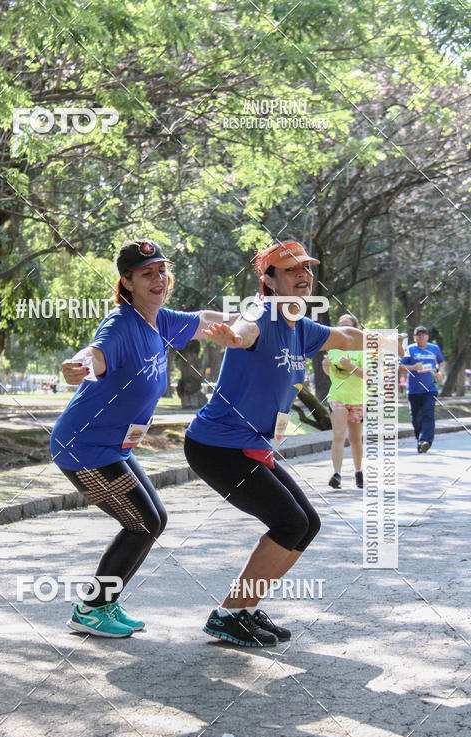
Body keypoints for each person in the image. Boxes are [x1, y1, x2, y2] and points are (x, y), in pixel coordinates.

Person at [184, 239, 372, 649]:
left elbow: (345, 336)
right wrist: (233, 338)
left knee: (307, 524)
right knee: (289, 523)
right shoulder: (261, 312)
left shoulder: (299, 326)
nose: (303, 275)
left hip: (250, 446)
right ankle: (228, 615)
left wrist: (387, 342)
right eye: (290, 270)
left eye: (306, 268)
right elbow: (245, 329)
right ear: (269, 280)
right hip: (217, 446)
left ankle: (244, 609)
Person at [50, 239, 238, 638]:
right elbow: (95, 353)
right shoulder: (122, 323)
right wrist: (77, 365)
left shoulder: (161, 321)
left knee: (155, 520)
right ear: (127, 281)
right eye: (147, 273)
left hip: (113, 446)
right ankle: (90, 609)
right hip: (83, 446)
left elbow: (205, 319)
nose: (158, 279)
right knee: (143, 522)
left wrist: (253, 319)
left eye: (162, 271)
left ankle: (105, 602)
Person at [322, 313, 365, 489]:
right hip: (337, 398)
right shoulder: (332, 349)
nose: (344, 328)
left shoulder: (362, 349)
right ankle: (337, 474)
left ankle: (358, 471)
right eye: (341, 325)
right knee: (338, 435)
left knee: (355, 439)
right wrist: (325, 367)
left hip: (358, 399)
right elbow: (330, 373)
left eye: (348, 325)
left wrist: (350, 366)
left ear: (354, 328)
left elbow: (367, 374)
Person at [399, 324, 445, 453]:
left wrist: (440, 373)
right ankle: (421, 441)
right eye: (418, 335)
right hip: (414, 390)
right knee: (416, 418)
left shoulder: (434, 348)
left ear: (427, 337)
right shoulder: (409, 350)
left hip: (431, 388)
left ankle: (425, 441)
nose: (421, 337)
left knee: (428, 413)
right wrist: (414, 367)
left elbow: (441, 362)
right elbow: (399, 366)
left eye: (423, 334)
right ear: (414, 338)